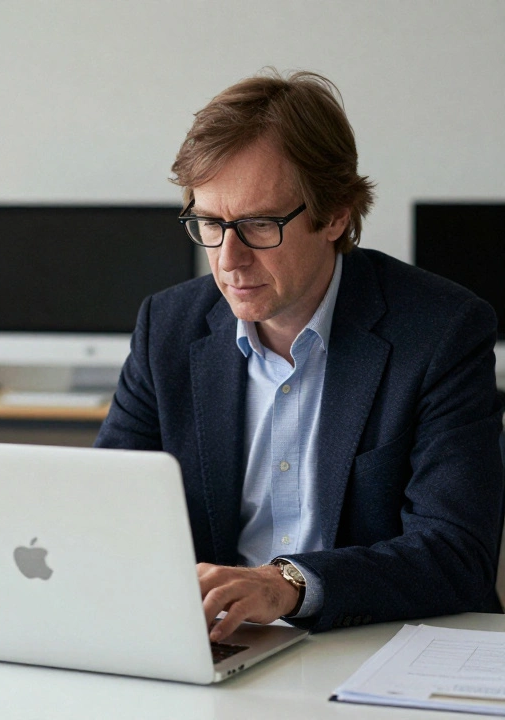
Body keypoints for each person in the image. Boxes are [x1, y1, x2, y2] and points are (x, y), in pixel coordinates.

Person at [95, 70, 504, 640]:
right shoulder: (167, 326)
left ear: (334, 214)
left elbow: (456, 553)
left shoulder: (441, 331)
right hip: (219, 643)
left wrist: (288, 584)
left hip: (378, 644)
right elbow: (103, 511)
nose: (228, 259)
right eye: (210, 223)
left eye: (259, 225)